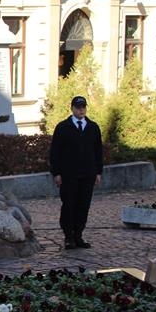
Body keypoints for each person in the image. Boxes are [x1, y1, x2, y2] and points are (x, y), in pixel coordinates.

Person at [49, 95, 103, 250]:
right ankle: (68, 236)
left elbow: (98, 151)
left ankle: (78, 235)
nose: (81, 110)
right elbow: (55, 152)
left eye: (83, 107)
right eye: (78, 107)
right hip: (69, 175)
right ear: (72, 108)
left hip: (88, 174)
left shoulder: (93, 127)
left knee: (83, 205)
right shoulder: (63, 127)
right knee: (69, 205)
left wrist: (98, 172)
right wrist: (56, 173)